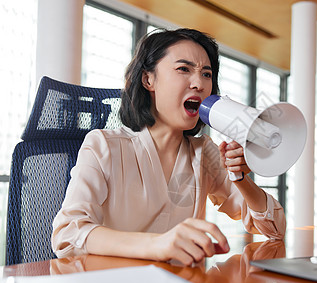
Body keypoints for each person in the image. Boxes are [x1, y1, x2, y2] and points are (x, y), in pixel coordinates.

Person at [51, 28, 286, 266]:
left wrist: (240, 177)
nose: (199, 84)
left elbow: (274, 229)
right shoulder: (103, 146)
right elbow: (67, 235)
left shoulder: (205, 153)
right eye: (184, 69)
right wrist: (157, 245)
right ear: (148, 79)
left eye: (207, 74)